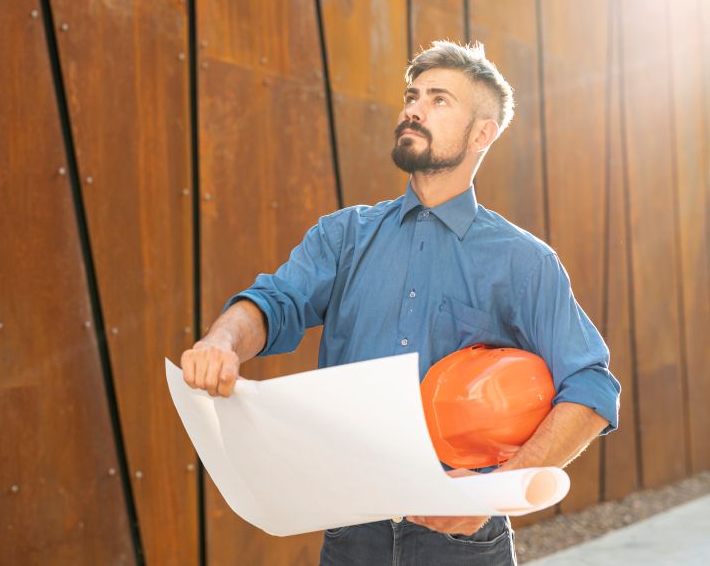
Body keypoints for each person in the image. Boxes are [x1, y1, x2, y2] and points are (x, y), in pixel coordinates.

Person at [180, 41, 621, 565]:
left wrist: (495, 492)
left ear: (482, 133)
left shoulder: (524, 262)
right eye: (412, 96)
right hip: (350, 535)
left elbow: (591, 386)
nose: (413, 108)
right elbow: (274, 302)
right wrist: (221, 340)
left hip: (463, 544)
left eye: (439, 100)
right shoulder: (344, 236)